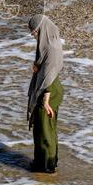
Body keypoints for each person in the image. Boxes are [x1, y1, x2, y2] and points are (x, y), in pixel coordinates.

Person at [27, 14, 64, 173]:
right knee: (46, 129)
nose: (33, 35)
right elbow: (46, 68)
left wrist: (45, 101)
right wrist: (37, 67)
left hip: (48, 92)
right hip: (53, 89)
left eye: (34, 31)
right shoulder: (51, 42)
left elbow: (49, 75)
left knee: (45, 131)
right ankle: (48, 163)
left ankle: (46, 167)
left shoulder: (50, 48)